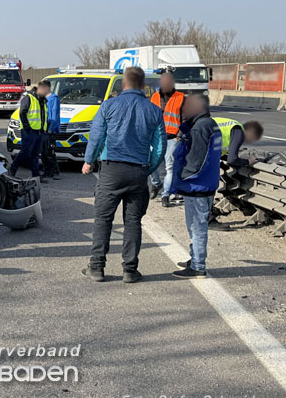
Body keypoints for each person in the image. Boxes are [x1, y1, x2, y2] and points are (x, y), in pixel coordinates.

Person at [82, 67, 166, 284]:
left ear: (124, 84)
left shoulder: (109, 105)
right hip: (138, 170)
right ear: (143, 86)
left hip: (111, 170)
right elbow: (160, 147)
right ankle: (129, 270)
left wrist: (89, 160)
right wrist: (148, 169)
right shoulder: (154, 110)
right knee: (133, 221)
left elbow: (97, 135)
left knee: (103, 218)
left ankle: (97, 267)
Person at [170, 95, 222, 279]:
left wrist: (183, 175)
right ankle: (195, 259)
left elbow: (197, 158)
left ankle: (198, 265)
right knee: (195, 226)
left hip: (197, 185)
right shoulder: (209, 124)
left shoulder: (200, 127)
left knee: (196, 227)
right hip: (204, 183)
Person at [149, 72, 184, 207]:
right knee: (151, 165)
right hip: (155, 137)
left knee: (170, 167)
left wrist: (178, 136)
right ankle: (157, 184)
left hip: (172, 138)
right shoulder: (154, 97)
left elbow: (185, 119)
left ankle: (165, 194)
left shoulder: (180, 98)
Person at [8, 82, 49, 178]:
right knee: (25, 152)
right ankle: (13, 168)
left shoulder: (42, 100)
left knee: (35, 154)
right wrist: (27, 128)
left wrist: (44, 130)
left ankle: (36, 176)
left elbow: (43, 116)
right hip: (30, 131)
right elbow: (22, 113)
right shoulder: (29, 98)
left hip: (39, 131)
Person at [42, 79, 61, 180]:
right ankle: (47, 171)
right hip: (43, 128)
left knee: (49, 152)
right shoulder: (42, 98)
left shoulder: (54, 99)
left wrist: (51, 129)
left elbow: (55, 115)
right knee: (43, 152)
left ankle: (55, 171)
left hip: (50, 128)